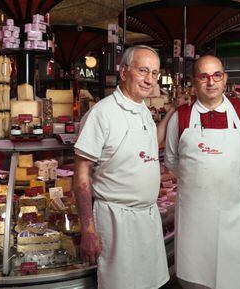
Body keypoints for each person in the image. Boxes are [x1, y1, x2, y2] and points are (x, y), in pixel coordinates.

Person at [73, 45, 176, 289]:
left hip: (148, 218)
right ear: (123, 72)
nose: (149, 79)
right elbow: (81, 174)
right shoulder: (102, 113)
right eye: (142, 71)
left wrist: (172, 111)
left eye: (154, 73)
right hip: (116, 220)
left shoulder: (144, 111)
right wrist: (87, 228)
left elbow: (151, 146)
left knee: (151, 284)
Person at [165, 55, 240, 289]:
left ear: (225, 79)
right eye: (203, 76)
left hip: (233, 213)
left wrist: (231, 180)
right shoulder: (181, 116)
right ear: (194, 81)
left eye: (217, 75)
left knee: (235, 275)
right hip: (193, 217)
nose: (211, 82)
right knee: (194, 278)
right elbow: (171, 160)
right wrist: (196, 178)